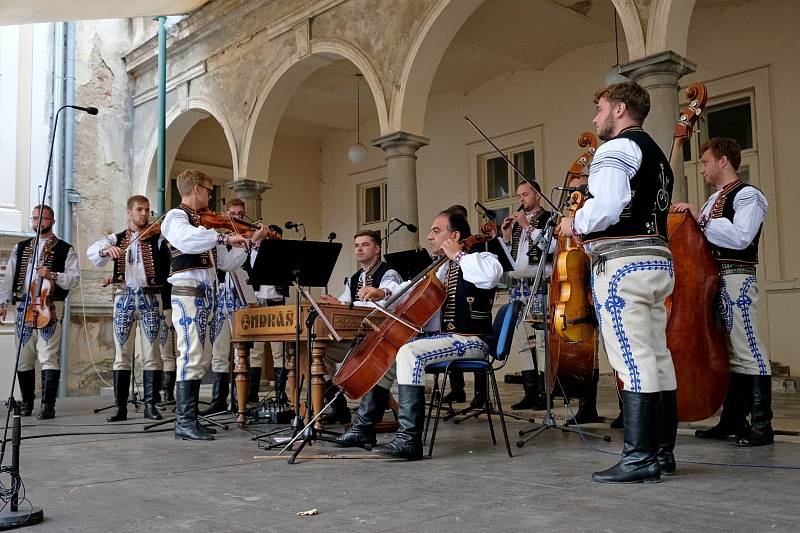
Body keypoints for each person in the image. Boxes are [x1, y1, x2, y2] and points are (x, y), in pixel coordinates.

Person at [559, 81, 677, 482]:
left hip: (623, 264)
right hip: (657, 260)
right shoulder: (658, 155)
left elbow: (607, 207)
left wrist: (576, 221)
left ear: (620, 109)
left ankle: (640, 458)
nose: (595, 118)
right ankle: (662, 453)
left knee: (632, 356)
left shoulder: (614, 149)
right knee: (657, 354)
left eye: (600, 110)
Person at [370, 210, 502, 460]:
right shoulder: (440, 269)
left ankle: (410, 440)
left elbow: (490, 276)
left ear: (454, 235)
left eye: (436, 231)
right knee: (390, 349)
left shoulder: (482, 257)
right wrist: (384, 293)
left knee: (410, 353)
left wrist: (459, 255)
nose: (429, 236)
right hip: (444, 340)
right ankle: (365, 426)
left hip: (471, 341)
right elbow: (411, 290)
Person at [674, 138, 773, 447]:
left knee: (748, 349)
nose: (701, 168)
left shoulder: (748, 196)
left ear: (723, 162)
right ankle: (732, 420)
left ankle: (762, 424)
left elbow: (742, 237)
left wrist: (700, 218)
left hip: (737, 279)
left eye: (705, 162)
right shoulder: (714, 198)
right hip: (715, 283)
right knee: (728, 354)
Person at [160, 169, 263, 440]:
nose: (210, 195)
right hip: (189, 292)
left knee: (201, 356)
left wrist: (251, 242)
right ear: (196, 189)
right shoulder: (176, 217)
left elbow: (227, 263)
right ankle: (183, 421)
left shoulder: (204, 225)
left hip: (207, 293)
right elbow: (185, 240)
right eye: (208, 190)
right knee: (191, 354)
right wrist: (223, 237)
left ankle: (190, 418)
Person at [87, 195, 171, 422]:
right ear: (129, 212)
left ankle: (151, 406)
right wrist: (106, 252)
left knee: (152, 355)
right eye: (139, 210)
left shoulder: (159, 236)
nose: (144, 214)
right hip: (124, 298)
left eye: (147, 210)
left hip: (151, 297)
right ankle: (120, 407)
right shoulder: (117, 237)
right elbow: (93, 251)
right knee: (121, 355)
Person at [0, 204, 79, 419]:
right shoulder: (21, 247)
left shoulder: (65, 249)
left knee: (47, 354)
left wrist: (52, 275)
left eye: (42, 219)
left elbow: (73, 278)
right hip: (24, 306)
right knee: (24, 356)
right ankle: (26, 403)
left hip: (50, 305)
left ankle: (47, 406)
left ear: (51, 221)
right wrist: (2, 302)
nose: (37, 222)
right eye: (34, 218)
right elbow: (9, 277)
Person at [319, 229, 403, 424]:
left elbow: (384, 302)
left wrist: (348, 304)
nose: (359, 249)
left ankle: (383, 405)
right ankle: (338, 405)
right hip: (357, 339)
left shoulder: (388, 273)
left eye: (365, 245)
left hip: (380, 338)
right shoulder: (354, 278)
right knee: (317, 353)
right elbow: (345, 304)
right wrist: (335, 304)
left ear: (377, 248)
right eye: (356, 246)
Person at [203, 198, 265, 416]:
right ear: (226, 213)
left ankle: (245, 398)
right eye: (233, 214)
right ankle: (218, 399)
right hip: (221, 299)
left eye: (241, 214)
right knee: (219, 350)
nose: (237, 218)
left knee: (245, 350)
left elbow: (256, 267)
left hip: (243, 298)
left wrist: (255, 241)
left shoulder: (251, 238)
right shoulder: (219, 237)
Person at [500, 181, 556, 411]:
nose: (521, 199)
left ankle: (545, 393)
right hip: (517, 286)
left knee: (541, 341)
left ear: (537, 195)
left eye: (524, 194)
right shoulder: (515, 225)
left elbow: (550, 247)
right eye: (519, 195)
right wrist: (505, 237)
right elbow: (511, 259)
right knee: (523, 341)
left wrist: (527, 227)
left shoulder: (550, 218)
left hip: (538, 284)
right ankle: (529, 392)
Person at [251, 224, 290, 404]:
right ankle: (251, 392)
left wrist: (277, 244)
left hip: (276, 304)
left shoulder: (280, 255)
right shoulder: (251, 253)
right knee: (255, 351)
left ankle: (280, 392)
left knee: (279, 351)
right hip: (257, 305)